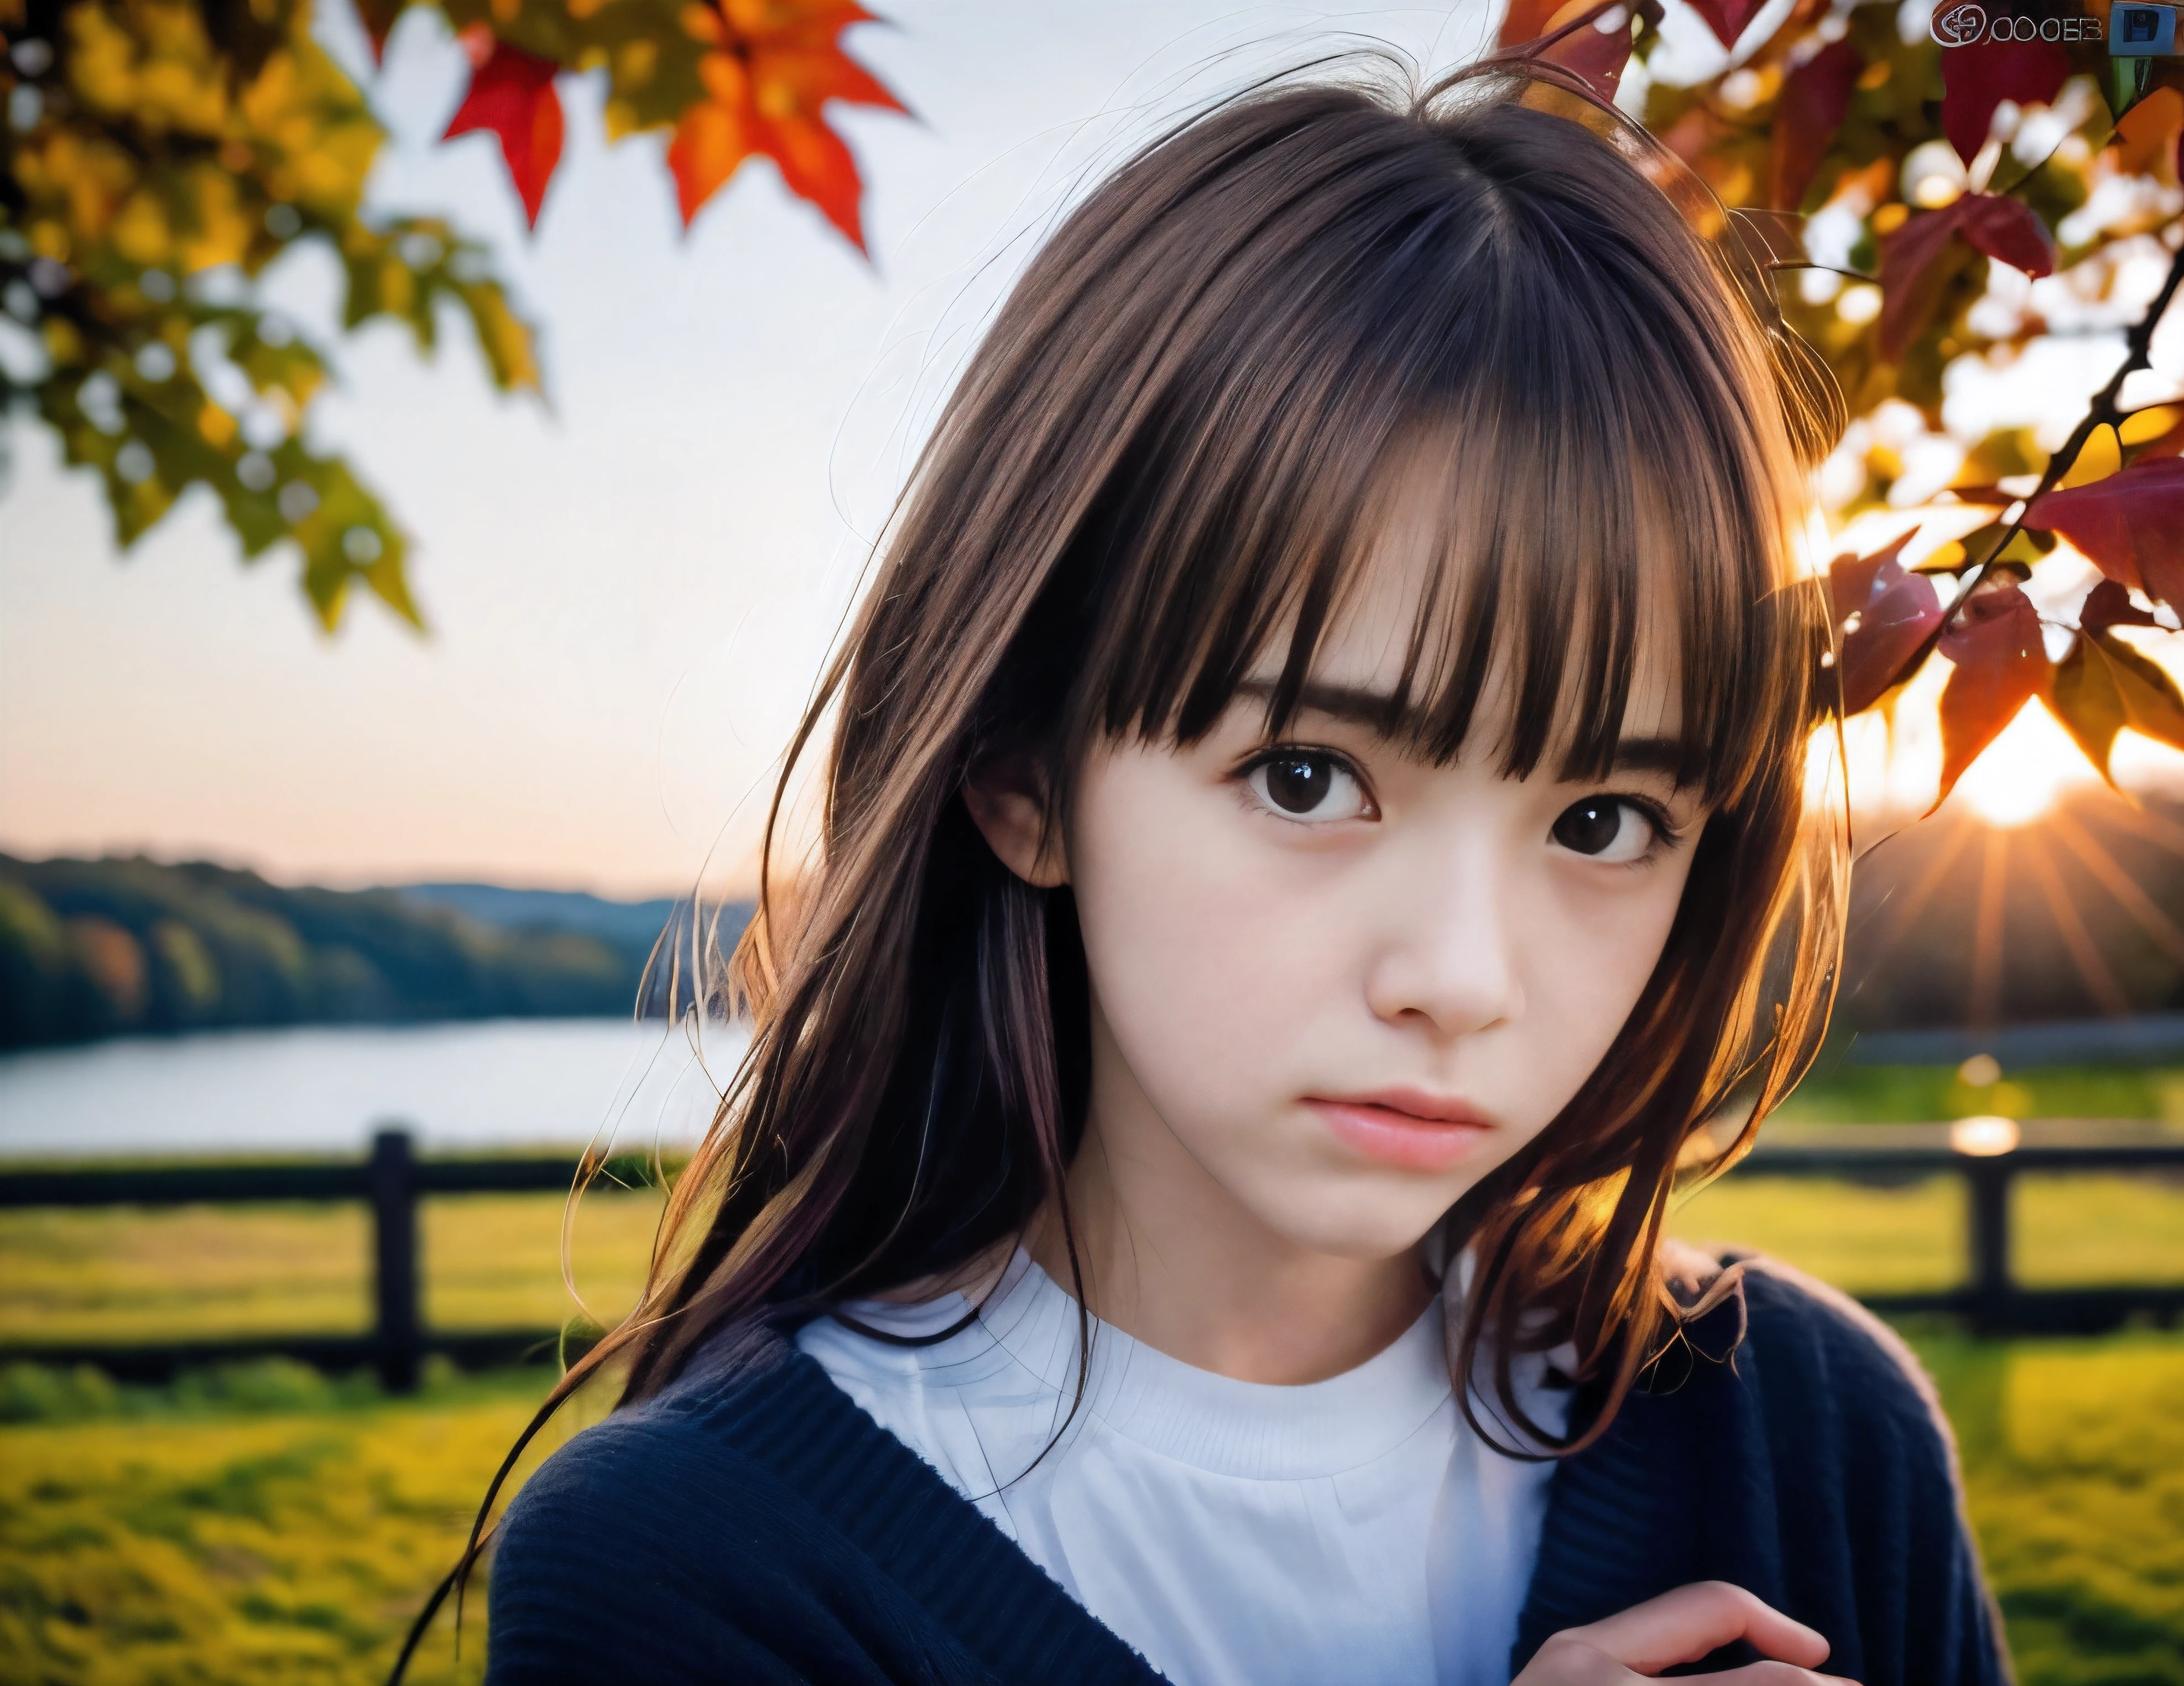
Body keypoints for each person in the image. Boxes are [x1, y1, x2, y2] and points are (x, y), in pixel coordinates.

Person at [465, 52, 2009, 1686]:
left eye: (1603, 819)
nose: (1465, 980)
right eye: (1309, 777)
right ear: (1022, 773)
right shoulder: (695, 1565)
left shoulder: (1805, 1440)